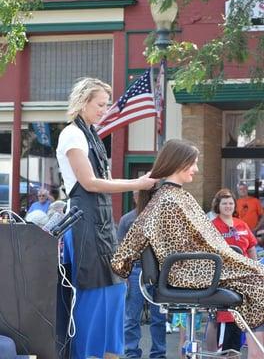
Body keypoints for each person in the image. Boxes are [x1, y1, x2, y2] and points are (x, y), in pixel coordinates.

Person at [111, 139, 264, 358]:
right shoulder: (165, 200)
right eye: (193, 163)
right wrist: (120, 268)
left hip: (200, 268)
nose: (197, 169)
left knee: (258, 280)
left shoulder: (177, 196)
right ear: (179, 163)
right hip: (187, 274)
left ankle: (257, 353)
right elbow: (130, 244)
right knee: (259, 279)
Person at [56, 77, 157, 359]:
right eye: (100, 104)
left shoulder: (92, 136)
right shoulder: (71, 135)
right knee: (92, 293)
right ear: (83, 101)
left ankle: (111, 353)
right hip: (83, 224)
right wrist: (138, 184)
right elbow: (89, 183)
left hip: (100, 223)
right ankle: (86, 354)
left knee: (113, 292)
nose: (104, 109)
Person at [206, 188, 258, 355]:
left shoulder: (241, 224)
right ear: (218, 205)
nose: (228, 206)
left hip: (242, 279)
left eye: (230, 203)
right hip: (223, 279)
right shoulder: (212, 226)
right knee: (223, 318)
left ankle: (233, 353)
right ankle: (224, 353)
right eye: (224, 203)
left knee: (239, 317)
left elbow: (251, 248)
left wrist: (255, 268)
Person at [117, 191, 166, 359]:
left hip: (158, 271)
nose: (142, 197)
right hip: (135, 270)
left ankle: (159, 354)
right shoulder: (127, 219)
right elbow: (121, 250)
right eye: (138, 194)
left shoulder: (161, 218)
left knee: (159, 317)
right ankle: (131, 354)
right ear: (134, 197)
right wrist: (124, 276)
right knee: (131, 317)